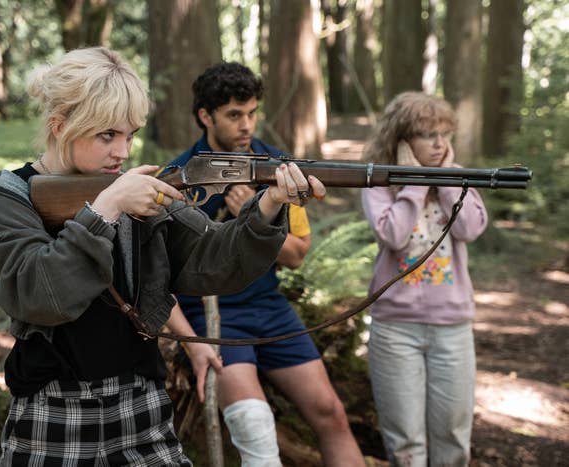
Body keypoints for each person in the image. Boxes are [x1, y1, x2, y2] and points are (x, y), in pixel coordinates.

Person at [0, 47, 326, 466]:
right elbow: (40, 295)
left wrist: (268, 206)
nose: (123, 152)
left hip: (142, 403)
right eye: (107, 135)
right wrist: (105, 211)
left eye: (130, 135)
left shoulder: (134, 189)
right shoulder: (8, 198)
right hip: (52, 410)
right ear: (60, 126)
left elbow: (212, 261)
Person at [167, 62, 365, 467]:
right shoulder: (178, 176)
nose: (246, 125)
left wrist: (256, 218)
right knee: (254, 425)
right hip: (212, 315)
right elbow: (165, 267)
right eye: (234, 115)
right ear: (206, 116)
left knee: (331, 412)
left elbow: (297, 254)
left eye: (252, 112)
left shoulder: (281, 169)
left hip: (269, 307)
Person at [361, 91, 488, 466]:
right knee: (405, 443)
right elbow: (394, 236)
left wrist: (446, 179)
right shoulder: (379, 182)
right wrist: (416, 182)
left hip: (452, 327)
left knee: (452, 437)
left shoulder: (457, 177)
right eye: (427, 135)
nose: (439, 144)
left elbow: (470, 227)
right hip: (395, 330)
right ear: (401, 140)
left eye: (444, 134)